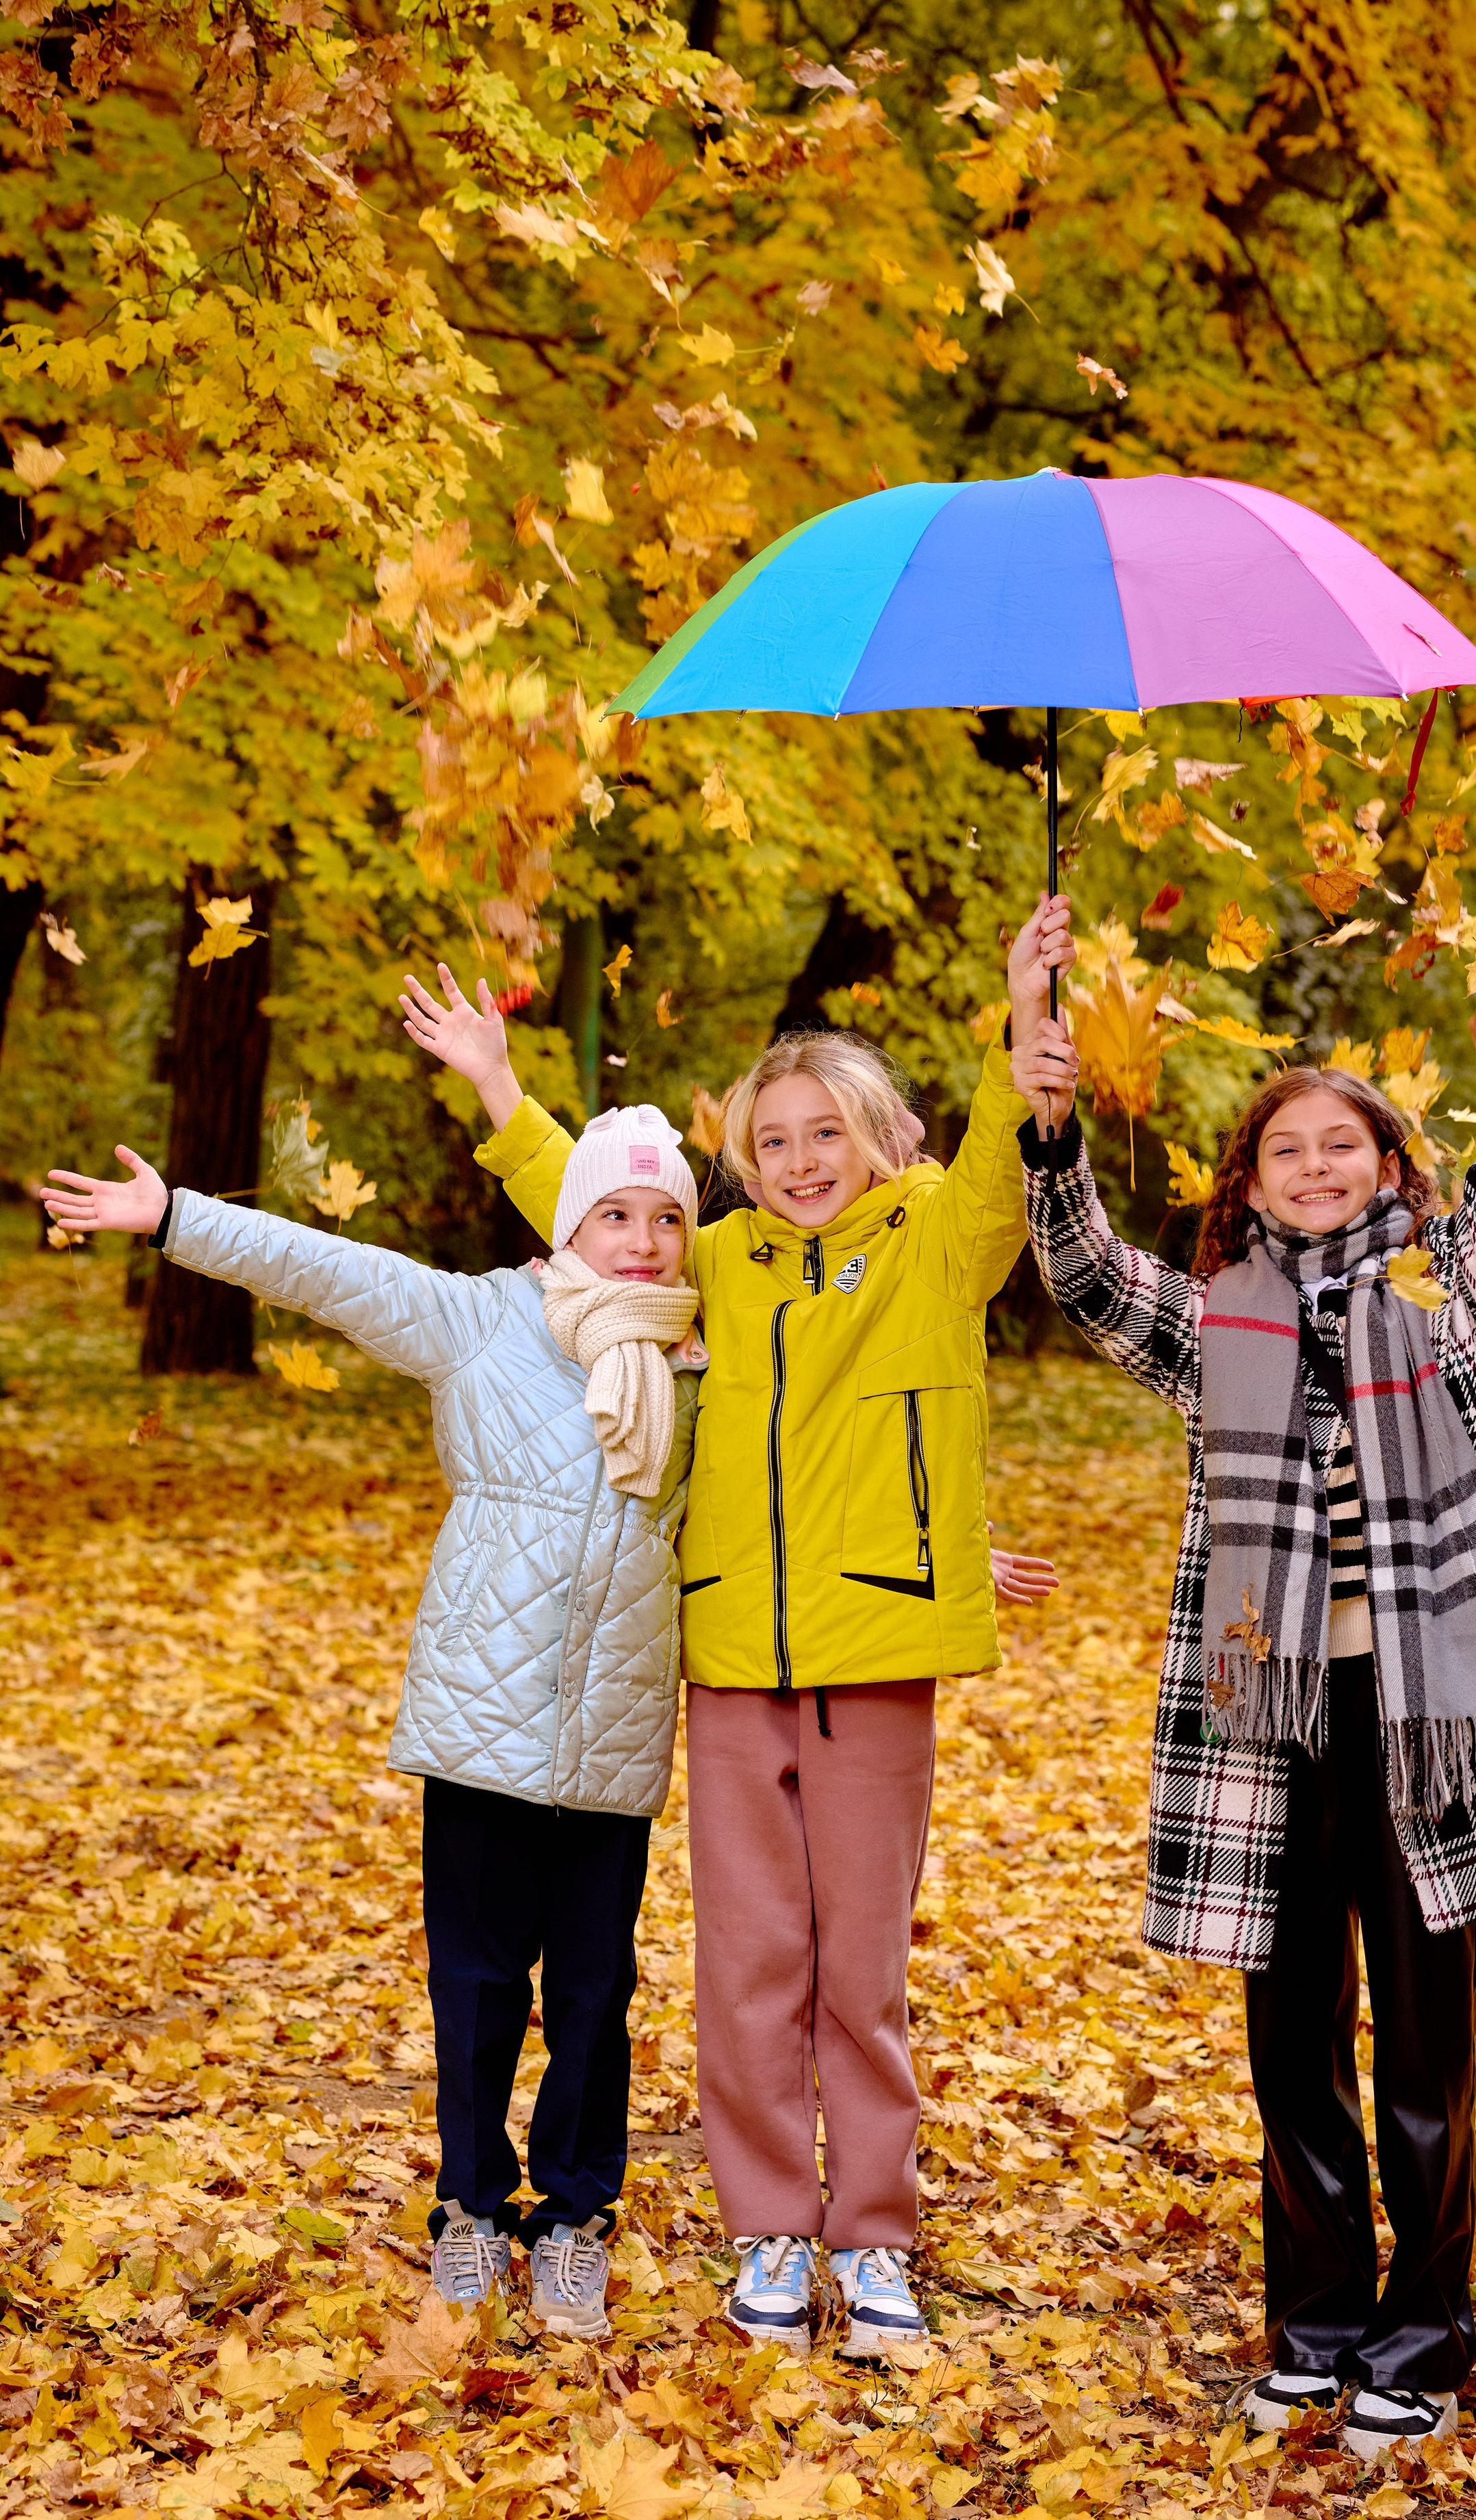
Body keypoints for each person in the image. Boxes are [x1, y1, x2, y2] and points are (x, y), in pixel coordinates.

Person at [1008, 840, 1476, 2460]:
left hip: (1415, 1718)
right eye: (1286, 1148)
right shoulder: (1215, 1324)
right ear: (1248, 1177)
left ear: (1387, 1164)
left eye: (1341, 1143)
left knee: (1422, 2052)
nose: (1315, 1166)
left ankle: (1421, 2333)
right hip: (1267, 1728)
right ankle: (1314, 2325)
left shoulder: (1451, 1288)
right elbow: (1076, 1274)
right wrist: (1045, 1108)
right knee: (1291, 2056)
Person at [404, 899, 1069, 2358]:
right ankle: (769, 2227)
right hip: (729, 1665)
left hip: (874, 1656)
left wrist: (1025, 1010)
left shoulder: (938, 1244)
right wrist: (503, 1097)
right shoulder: (725, 1267)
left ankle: (874, 2238)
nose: (797, 1162)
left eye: (822, 1133)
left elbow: (1003, 1159)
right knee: (752, 1964)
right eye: (770, 1143)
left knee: (861, 1972)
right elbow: (600, 1232)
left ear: (881, 1135)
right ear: (743, 1164)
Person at [42, 1103, 710, 2342]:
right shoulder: (485, 1322)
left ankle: (571, 2220)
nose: (641, 1240)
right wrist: (176, 1217)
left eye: (666, 1218)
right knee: (474, 1984)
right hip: (481, 1720)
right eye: (613, 1213)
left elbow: (801, 1493)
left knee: (593, 1996)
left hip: (613, 1735)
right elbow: (328, 1270)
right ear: (570, 1224)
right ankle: (469, 2204)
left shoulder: (701, 1368)